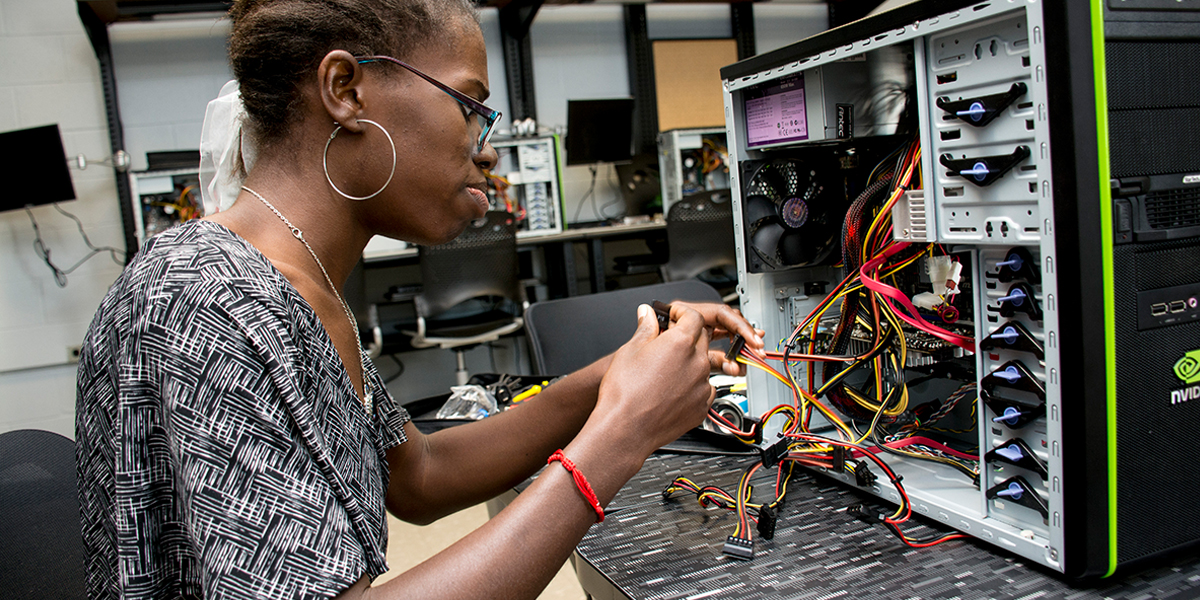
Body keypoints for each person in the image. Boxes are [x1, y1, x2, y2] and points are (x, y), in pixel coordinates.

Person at [75, 0, 764, 598]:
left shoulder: (297, 290)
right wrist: (621, 436)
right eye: (469, 107)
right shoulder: (210, 299)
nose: (486, 150)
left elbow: (422, 475)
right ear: (345, 88)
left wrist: (620, 376)